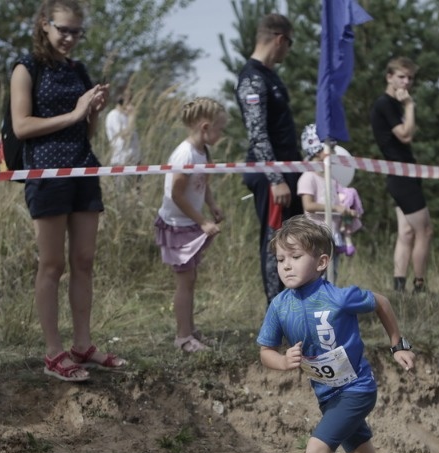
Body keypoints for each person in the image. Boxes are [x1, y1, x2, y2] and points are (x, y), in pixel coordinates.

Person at [257, 216, 419, 453]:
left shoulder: (340, 298)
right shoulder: (279, 305)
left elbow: (382, 303)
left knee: (317, 451)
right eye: (280, 260)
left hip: (357, 389)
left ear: (321, 262)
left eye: (295, 257)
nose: (286, 266)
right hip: (328, 395)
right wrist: (282, 360)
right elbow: (265, 352)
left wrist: (398, 345)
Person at [10, 0, 126, 382]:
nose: (70, 38)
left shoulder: (78, 69)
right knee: (51, 264)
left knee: (84, 260)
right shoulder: (26, 68)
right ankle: (53, 351)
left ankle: (82, 344)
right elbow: (22, 126)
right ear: (45, 25)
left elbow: (84, 130)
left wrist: (91, 114)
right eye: (64, 29)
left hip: (83, 166)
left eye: (77, 31)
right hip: (45, 171)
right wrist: (75, 113)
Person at [235, 13, 303, 306]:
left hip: (289, 170)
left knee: (296, 241)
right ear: (280, 39)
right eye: (290, 43)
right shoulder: (252, 78)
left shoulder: (270, 74)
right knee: (276, 244)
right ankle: (278, 310)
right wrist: (275, 179)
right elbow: (257, 134)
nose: (289, 50)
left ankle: (297, 304)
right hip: (271, 175)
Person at [154, 98, 227, 353]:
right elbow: (177, 194)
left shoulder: (203, 151)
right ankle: (183, 338)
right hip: (177, 224)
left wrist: (212, 204)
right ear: (205, 127)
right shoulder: (184, 154)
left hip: (189, 221)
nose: (222, 134)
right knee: (184, 281)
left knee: (191, 278)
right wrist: (203, 221)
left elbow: (202, 183)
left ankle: (190, 330)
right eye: (220, 128)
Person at [370, 57, 433, 294]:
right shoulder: (386, 104)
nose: (406, 82)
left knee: (406, 232)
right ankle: (419, 286)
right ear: (389, 77)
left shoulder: (394, 103)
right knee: (424, 231)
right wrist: (410, 107)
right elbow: (405, 136)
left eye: (410, 78)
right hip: (400, 175)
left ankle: (398, 286)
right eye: (401, 77)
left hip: (406, 171)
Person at [296, 123, 363, 284]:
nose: (334, 152)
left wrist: (347, 211)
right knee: (318, 275)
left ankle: (328, 305)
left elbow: (340, 202)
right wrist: (335, 208)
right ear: (318, 151)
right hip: (317, 236)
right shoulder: (308, 177)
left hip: (333, 235)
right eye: (330, 149)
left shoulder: (331, 180)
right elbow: (308, 205)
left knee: (332, 273)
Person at [104, 89, 140, 167]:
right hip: (121, 161)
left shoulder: (126, 116)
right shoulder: (114, 115)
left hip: (134, 161)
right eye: (129, 99)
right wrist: (131, 117)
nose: (131, 102)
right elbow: (125, 136)